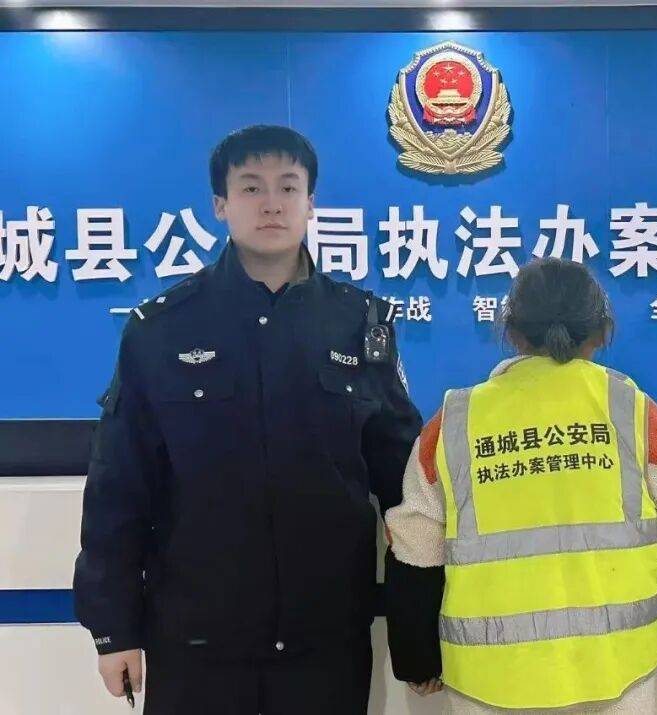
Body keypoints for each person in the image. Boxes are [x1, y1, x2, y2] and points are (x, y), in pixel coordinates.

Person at [73, 125, 422, 714]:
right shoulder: (162, 330)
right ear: (221, 205)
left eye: (289, 187)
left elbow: (405, 486)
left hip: (326, 640)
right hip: (196, 640)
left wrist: (422, 622)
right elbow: (118, 487)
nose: (272, 204)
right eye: (251, 187)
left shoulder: (360, 325)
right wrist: (113, 628)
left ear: (311, 203)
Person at [382, 257, 657, 713]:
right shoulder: (637, 414)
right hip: (621, 673)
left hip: (488, 682)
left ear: (512, 332)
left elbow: (415, 544)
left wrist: (415, 658)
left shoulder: (453, 422)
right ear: (601, 331)